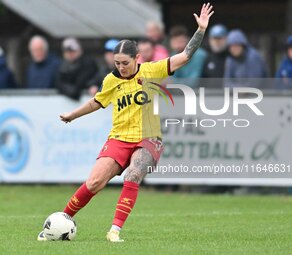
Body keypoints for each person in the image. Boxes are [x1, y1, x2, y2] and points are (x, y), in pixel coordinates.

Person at [37, 3, 214, 242]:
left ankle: (114, 231)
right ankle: (58, 224)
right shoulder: (111, 80)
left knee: (132, 176)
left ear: (137, 58)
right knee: (94, 182)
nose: (120, 67)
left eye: (125, 63)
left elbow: (184, 56)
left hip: (148, 137)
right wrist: (72, 115)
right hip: (119, 137)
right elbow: (97, 102)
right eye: (116, 62)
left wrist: (201, 30)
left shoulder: (152, 70)